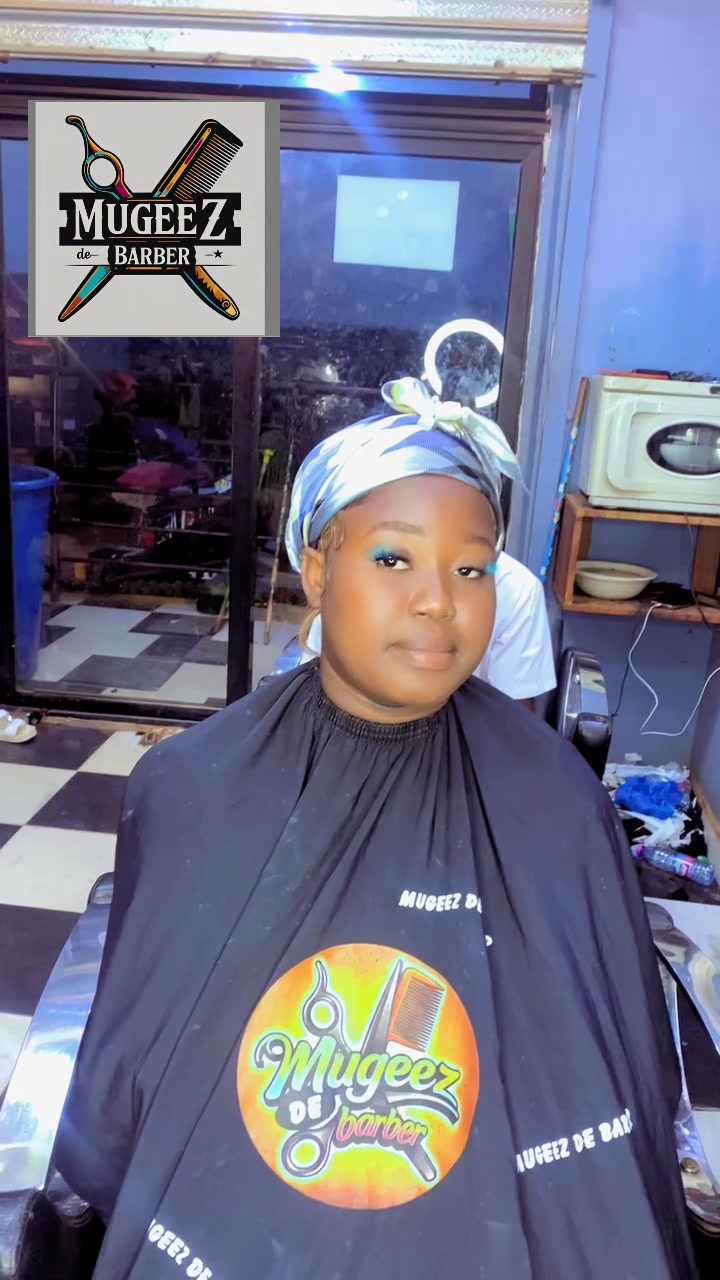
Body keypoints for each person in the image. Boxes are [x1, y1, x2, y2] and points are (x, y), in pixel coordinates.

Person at [55, 377, 696, 1279]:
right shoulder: (191, 787)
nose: (439, 600)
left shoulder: (556, 798)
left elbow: (621, 1064)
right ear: (318, 570)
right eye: (395, 558)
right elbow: (125, 1090)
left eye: (471, 569)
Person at [301, 549, 556, 708]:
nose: (436, 605)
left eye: (467, 572)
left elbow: (514, 727)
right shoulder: (351, 577)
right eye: (392, 562)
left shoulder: (517, 589)